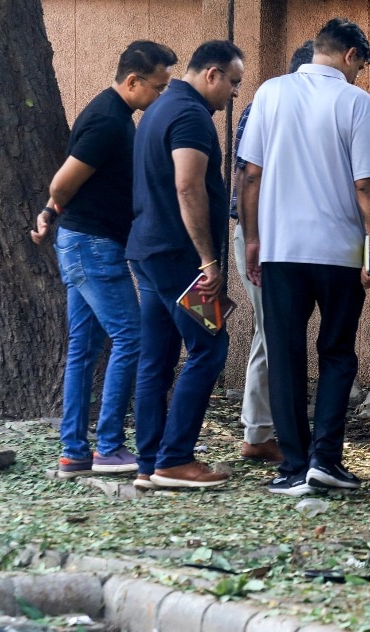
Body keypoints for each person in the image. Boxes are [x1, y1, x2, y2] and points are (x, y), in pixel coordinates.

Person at [238, 18, 370, 496]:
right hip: (339, 251)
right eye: (361, 66)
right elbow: (366, 184)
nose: (360, 75)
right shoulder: (356, 102)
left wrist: (253, 238)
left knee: (284, 355)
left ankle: (292, 467)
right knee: (337, 354)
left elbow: (250, 174)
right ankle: (326, 459)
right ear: (350, 56)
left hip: (281, 248)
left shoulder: (269, 93)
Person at [32, 41, 177, 479]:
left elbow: (77, 187)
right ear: (132, 81)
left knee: (85, 347)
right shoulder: (107, 120)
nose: (161, 96)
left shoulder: (114, 116)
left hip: (83, 242)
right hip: (93, 247)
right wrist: (52, 205)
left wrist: (51, 214)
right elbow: (63, 182)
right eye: (158, 87)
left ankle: (74, 452)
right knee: (130, 338)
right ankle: (109, 447)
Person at [125, 40, 245, 489]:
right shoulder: (191, 116)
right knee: (210, 348)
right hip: (179, 259)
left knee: (157, 358)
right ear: (211, 73)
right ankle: (174, 460)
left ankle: (149, 461)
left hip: (149, 252)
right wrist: (208, 261)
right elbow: (188, 187)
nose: (234, 92)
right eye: (233, 82)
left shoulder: (158, 108)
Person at [228, 40, 314, 466]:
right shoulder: (270, 106)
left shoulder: (275, 106)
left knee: (273, 331)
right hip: (260, 235)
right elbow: (249, 177)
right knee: (271, 332)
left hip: (269, 235)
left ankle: (262, 429)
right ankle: (258, 433)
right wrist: (254, 238)